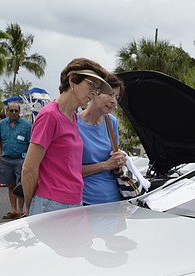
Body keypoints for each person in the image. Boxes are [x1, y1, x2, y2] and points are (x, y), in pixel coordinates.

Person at [21, 58, 112, 216]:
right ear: (72, 80)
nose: (94, 92)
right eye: (91, 84)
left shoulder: (73, 116)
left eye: (97, 89)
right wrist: (30, 205)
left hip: (75, 201)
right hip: (51, 203)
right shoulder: (50, 116)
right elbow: (29, 169)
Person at [78, 74, 128, 205]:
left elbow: (114, 158)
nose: (114, 101)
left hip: (115, 201)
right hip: (85, 203)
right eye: (110, 94)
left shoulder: (112, 122)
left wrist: (120, 158)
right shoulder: (73, 124)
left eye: (117, 97)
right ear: (94, 93)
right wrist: (104, 165)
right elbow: (68, 171)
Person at [0, 101, 31, 219]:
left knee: (21, 185)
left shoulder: (27, 125)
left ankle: (21, 210)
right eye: (11, 110)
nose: (14, 113)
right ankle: (13, 210)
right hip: (6, 160)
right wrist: (0, 154)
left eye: (16, 110)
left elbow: (31, 143)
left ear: (19, 112)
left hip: (21, 159)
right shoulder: (2, 125)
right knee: (10, 185)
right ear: (7, 111)